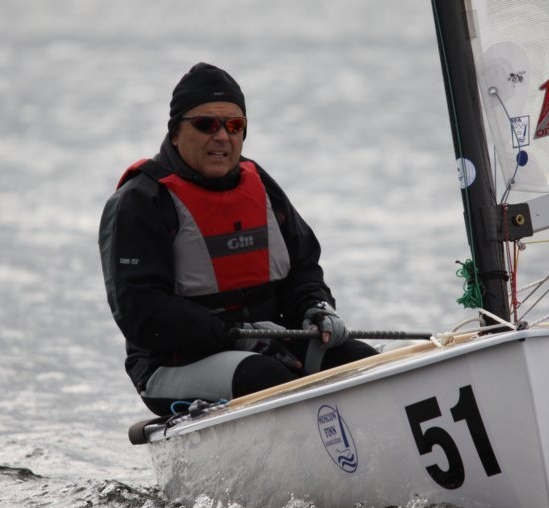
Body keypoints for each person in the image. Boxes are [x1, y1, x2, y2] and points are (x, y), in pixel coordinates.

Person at [99, 62, 377, 417]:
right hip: (172, 363)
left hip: (268, 342)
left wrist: (316, 308)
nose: (222, 136)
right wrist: (234, 334)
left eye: (234, 126)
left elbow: (303, 268)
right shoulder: (141, 201)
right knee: (266, 378)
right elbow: (141, 312)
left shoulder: (259, 184)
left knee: (359, 362)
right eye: (206, 125)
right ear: (175, 133)